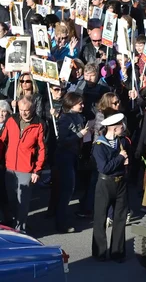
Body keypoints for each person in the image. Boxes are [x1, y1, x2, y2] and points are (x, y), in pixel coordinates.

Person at [0, 95, 45, 233]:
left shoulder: (39, 124)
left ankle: (20, 229)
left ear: (32, 108)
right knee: (12, 199)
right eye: (20, 109)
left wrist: (37, 170)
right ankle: (16, 221)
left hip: (26, 168)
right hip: (9, 166)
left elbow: (42, 149)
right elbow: (2, 141)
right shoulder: (11, 119)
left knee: (23, 201)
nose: (23, 112)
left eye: (26, 110)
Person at [92, 112, 130, 262]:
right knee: (100, 218)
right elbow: (104, 168)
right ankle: (100, 252)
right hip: (105, 183)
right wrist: (120, 158)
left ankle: (117, 252)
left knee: (120, 218)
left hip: (121, 182)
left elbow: (127, 158)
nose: (124, 128)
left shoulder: (122, 142)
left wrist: (125, 162)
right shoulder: (99, 145)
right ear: (114, 128)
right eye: (121, 126)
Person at [55, 92, 89, 233]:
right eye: (79, 103)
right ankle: (61, 223)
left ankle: (61, 217)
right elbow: (62, 141)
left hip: (74, 155)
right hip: (65, 157)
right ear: (71, 103)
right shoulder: (65, 119)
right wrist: (80, 134)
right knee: (66, 190)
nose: (82, 105)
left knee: (70, 189)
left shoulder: (79, 116)